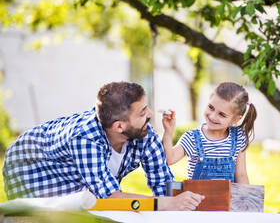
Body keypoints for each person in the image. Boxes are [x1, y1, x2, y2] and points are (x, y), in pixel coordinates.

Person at [2, 81, 204, 210]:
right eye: (143, 112)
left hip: (76, 174)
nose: (151, 114)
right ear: (119, 126)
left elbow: (164, 184)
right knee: (72, 210)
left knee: (95, 204)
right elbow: (111, 197)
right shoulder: (85, 139)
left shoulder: (144, 132)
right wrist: (168, 203)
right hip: (28, 166)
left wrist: (189, 199)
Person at [162, 82, 257, 183]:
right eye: (211, 107)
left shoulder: (238, 137)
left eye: (222, 114)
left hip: (228, 198)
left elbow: (241, 175)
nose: (212, 116)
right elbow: (169, 159)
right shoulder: (192, 137)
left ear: (235, 119)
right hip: (196, 198)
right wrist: (168, 131)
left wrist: (244, 198)